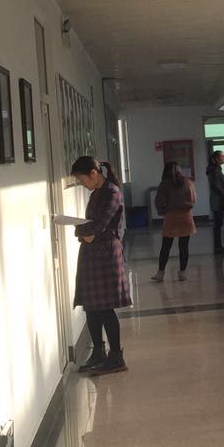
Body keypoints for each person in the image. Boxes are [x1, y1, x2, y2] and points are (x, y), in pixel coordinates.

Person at [71, 156, 130, 375]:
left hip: (106, 254)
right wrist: (84, 232)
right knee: (91, 305)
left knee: (105, 307)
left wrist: (83, 231)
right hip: (93, 253)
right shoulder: (97, 193)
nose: (81, 183)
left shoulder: (111, 192)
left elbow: (99, 225)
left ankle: (116, 356)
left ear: (94, 173)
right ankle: (98, 352)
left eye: (82, 179)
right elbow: (90, 228)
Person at [150, 161, 196, 282]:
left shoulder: (164, 184)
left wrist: (163, 211)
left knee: (166, 246)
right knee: (184, 247)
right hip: (186, 217)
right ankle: (182, 273)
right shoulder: (188, 182)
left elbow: (159, 201)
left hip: (171, 218)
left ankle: (160, 273)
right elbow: (193, 199)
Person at [207, 150, 224, 255]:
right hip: (218, 200)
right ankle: (218, 247)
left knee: (218, 224)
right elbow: (216, 186)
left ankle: (218, 246)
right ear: (216, 159)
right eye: (223, 157)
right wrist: (223, 194)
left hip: (217, 200)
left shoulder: (216, 169)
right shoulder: (214, 170)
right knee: (218, 224)